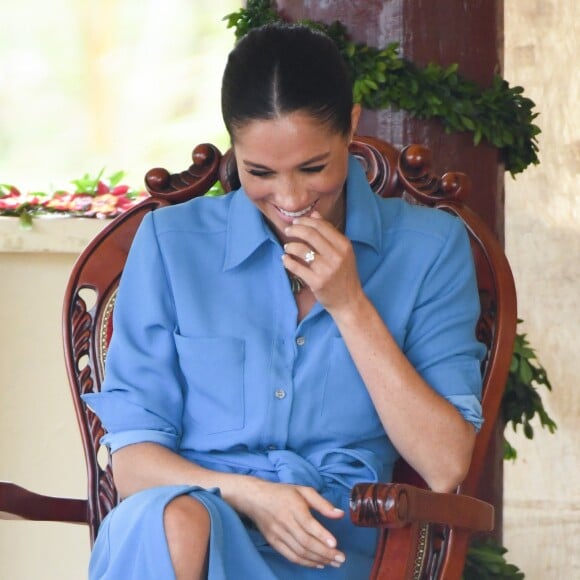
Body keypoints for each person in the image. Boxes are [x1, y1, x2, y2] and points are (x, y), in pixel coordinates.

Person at [83, 22, 486, 579]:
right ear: (233, 146)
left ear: (350, 124)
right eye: (260, 172)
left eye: (313, 168)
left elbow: (444, 465)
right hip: (192, 528)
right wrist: (250, 496)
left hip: (333, 544)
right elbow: (132, 464)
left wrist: (349, 305)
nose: (292, 199)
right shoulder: (170, 243)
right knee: (171, 520)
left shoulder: (430, 250)